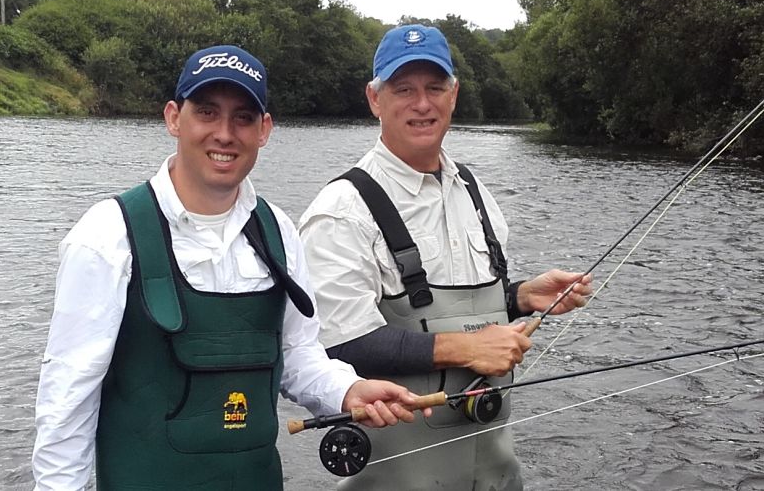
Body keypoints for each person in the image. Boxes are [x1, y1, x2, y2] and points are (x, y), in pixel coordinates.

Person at [32, 44, 426, 490]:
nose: (225, 133)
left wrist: (348, 390)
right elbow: (67, 398)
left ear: (264, 130)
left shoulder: (280, 231)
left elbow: (297, 355)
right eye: (207, 112)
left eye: (243, 117)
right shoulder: (106, 235)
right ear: (173, 118)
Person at [298, 25, 594, 490]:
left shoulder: (474, 192)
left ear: (453, 95)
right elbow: (337, 343)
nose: (422, 103)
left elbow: (456, 305)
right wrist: (467, 348)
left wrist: (520, 296)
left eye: (435, 88)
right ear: (375, 99)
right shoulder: (341, 210)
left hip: (496, 476)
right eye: (404, 89)